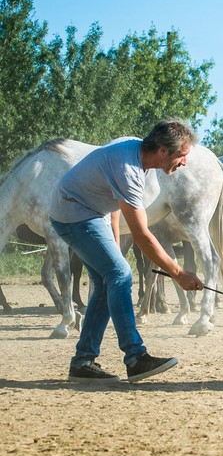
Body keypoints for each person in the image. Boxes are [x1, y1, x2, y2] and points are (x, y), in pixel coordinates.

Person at [50, 118, 205, 384]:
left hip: (90, 210)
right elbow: (142, 236)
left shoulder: (135, 151)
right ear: (163, 151)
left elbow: (112, 208)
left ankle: (83, 362)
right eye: (182, 155)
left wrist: (112, 253)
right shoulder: (129, 169)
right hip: (72, 213)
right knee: (120, 275)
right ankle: (135, 358)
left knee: (107, 279)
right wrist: (178, 273)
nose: (184, 163)